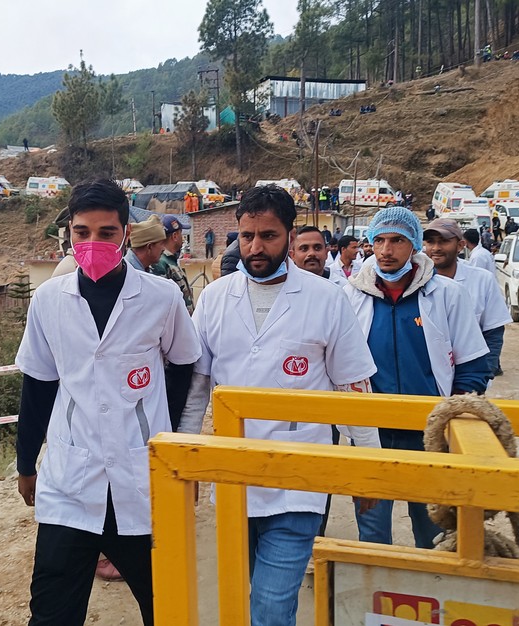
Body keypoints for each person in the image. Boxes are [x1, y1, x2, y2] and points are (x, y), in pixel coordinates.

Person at [179, 185, 380, 626]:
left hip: (299, 475)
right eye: (246, 235)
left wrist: (368, 465)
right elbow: (198, 387)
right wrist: (188, 458)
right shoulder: (214, 298)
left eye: (267, 236)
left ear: (289, 237)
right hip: (233, 475)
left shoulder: (327, 299)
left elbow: (353, 387)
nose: (255, 247)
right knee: (240, 595)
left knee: (271, 606)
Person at [14, 179, 201, 626]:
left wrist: (165, 439)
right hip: (70, 479)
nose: (93, 242)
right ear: (69, 234)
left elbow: (183, 367)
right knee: (52, 611)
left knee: (165, 605)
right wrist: (26, 464)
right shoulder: (48, 302)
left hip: (139, 479)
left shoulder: (160, 297)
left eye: (106, 233)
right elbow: (38, 386)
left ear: (125, 234)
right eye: (82, 232)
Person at [344, 207, 490, 549]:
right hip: (371, 433)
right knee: (372, 529)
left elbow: (472, 363)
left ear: (413, 246)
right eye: (378, 240)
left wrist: (453, 415)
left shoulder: (447, 294)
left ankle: (432, 594)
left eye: (397, 241)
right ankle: (375, 592)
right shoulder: (350, 295)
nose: (386, 250)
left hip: (428, 432)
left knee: (433, 529)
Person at [423, 219, 513, 379]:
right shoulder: (415, 282)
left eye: (443, 242)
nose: (436, 248)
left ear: (460, 245)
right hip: (426, 377)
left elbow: (493, 333)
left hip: (468, 375)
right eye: (430, 242)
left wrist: (483, 376)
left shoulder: (482, 280)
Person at [151, 214, 195, 314]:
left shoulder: (171, 260)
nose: (183, 239)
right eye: (181, 234)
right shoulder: (160, 263)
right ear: (175, 236)